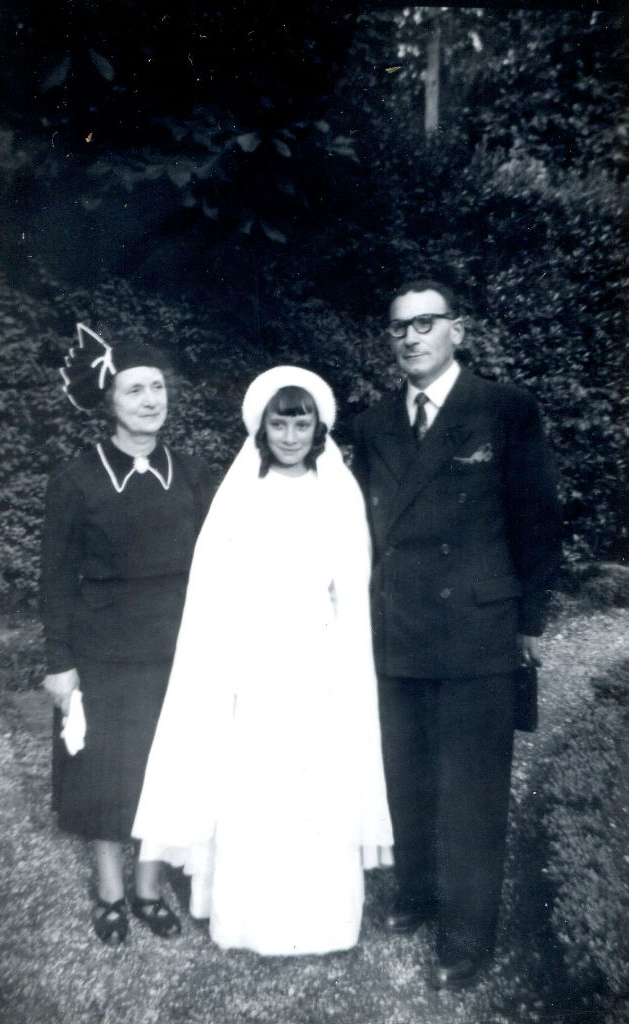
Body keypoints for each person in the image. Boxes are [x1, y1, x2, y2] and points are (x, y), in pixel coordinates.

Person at [133, 366, 393, 956]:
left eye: (302, 422)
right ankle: (249, 918)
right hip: (253, 655)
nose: (292, 435)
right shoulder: (243, 491)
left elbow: (352, 585)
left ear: (317, 426)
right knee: (256, 779)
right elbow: (214, 581)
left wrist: (345, 661)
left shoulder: (339, 490)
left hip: (317, 654)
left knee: (314, 780)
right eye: (281, 422)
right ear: (263, 427)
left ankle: (320, 921)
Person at [351, 280, 562, 989]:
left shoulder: (504, 409)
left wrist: (530, 622)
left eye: (425, 323)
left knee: (472, 792)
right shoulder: (374, 422)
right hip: (398, 628)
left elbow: (537, 518)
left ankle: (468, 936)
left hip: (478, 628)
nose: (411, 337)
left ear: (458, 331)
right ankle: (416, 896)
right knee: (404, 777)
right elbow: (360, 533)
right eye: (398, 328)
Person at [40, 324, 214, 946]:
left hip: (178, 650)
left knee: (164, 771)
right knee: (106, 775)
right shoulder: (77, 480)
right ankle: (111, 891)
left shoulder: (194, 475)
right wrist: (59, 661)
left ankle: (147, 887)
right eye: (135, 389)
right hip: (104, 651)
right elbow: (54, 579)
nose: (150, 400)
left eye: (158, 387)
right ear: (108, 401)